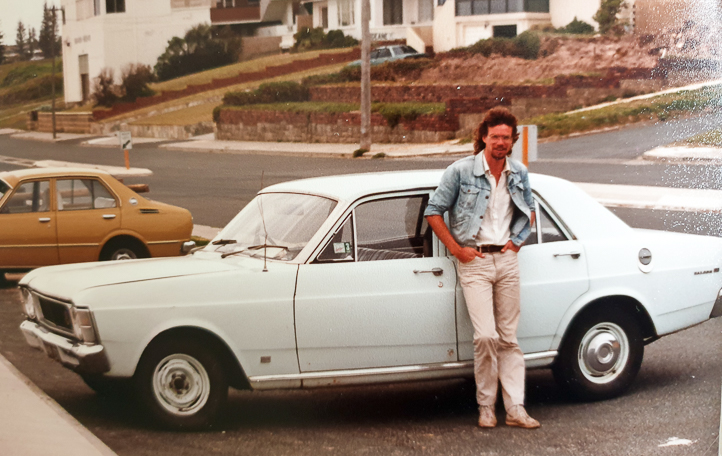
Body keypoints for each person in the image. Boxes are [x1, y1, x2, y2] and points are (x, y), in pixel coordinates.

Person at [424, 107, 539, 429]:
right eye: (495, 136)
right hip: (475, 262)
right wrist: (457, 249)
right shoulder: (461, 171)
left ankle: (515, 409)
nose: (500, 142)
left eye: (506, 137)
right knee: (486, 336)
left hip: (507, 260)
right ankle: (486, 407)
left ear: (513, 140)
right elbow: (433, 211)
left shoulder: (518, 172)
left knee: (509, 338)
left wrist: (516, 242)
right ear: (484, 137)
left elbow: (530, 209)